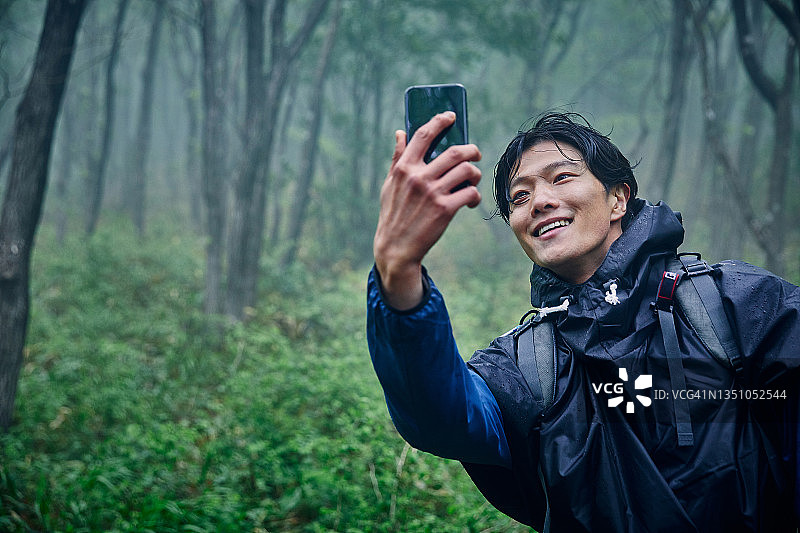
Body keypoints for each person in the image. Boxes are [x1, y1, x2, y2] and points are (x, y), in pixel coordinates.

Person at [366, 111, 800, 532]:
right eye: (520, 196)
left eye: (561, 177)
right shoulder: (525, 365)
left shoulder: (736, 303)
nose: (539, 201)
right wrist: (398, 273)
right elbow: (442, 418)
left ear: (618, 198)